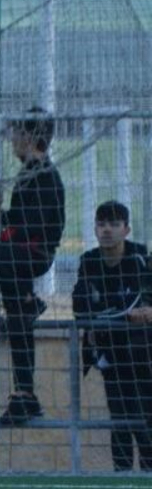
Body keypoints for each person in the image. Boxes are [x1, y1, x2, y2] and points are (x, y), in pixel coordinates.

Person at [0, 107, 66, 426]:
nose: (11, 141)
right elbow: (21, 220)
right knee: (17, 319)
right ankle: (24, 395)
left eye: (16, 135)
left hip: (33, 255)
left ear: (28, 137)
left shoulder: (43, 173)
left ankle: (26, 300)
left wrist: (4, 227)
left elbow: (38, 224)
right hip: (19, 257)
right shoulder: (29, 172)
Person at [71, 200, 152, 472]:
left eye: (114, 224)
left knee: (142, 418)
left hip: (142, 354)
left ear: (126, 229)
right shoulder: (89, 262)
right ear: (94, 229)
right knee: (119, 418)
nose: (107, 230)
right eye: (102, 224)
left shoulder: (141, 259)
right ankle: (122, 477)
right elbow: (80, 307)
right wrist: (113, 316)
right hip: (111, 354)